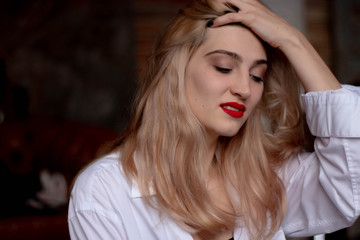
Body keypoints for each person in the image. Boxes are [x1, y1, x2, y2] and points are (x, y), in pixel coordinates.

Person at [68, 0, 360, 239]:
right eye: (223, 67)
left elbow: (349, 187)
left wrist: (293, 40)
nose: (245, 89)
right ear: (175, 72)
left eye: (257, 75)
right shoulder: (103, 192)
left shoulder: (266, 179)